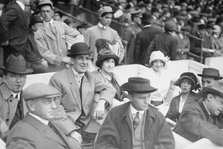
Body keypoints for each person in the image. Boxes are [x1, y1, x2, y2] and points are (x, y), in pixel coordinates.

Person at [49, 42, 115, 147]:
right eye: (81, 58)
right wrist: (71, 131)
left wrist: (101, 103)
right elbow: (54, 109)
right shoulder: (58, 79)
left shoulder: (90, 76)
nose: (85, 62)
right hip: (66, 125)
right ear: (71, 60)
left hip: (88, 126)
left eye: (87, 58)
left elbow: (109, 89)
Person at [95, 77, 175, 149]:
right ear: (130, 97)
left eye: (148, 96)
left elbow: (168, 144)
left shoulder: (158, 117)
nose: (147, 101)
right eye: (141, 98)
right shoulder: (115, 114)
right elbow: (103, 143)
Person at [6, 83, 81, 149]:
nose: (54, 106)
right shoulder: (20, 134)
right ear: (32, 105)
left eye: (54, 100)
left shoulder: (48, 121)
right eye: (47, 102)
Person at [35, 0, 81, 72]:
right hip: (54, 67)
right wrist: (61, 59)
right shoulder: (39, 32)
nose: (46, 14)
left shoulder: (61, 24)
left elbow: (77, 35)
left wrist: (70, 48)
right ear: (40, 13)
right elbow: (44, 52)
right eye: (43, 12)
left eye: (48, 11)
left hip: (70, 64)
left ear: (52, 12)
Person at [173, 81, 223, 146]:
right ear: (210, 97)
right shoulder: (190, 111)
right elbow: (205, 129)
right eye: (222, 103)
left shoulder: (216, 114)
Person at [0, 54, 33, 138]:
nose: (18, 81)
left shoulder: (26, 95)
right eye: (13, 76)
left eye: (22, 76)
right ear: (4, 78)